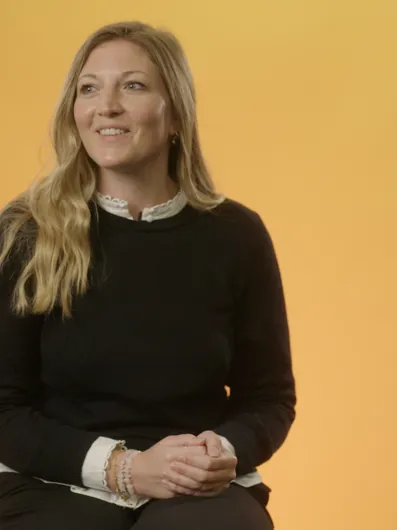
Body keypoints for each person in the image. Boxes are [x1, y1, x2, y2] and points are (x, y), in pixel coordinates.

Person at [0, 20, 296, 530]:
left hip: (194, 486)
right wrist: (126, 469)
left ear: (175, 112)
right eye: (89, 89)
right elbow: (3, 407)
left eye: (132, 86)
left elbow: (269, 398)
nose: (106, 106)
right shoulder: (27, 231)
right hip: (52, 479)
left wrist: (220, 451)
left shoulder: (237, 235)